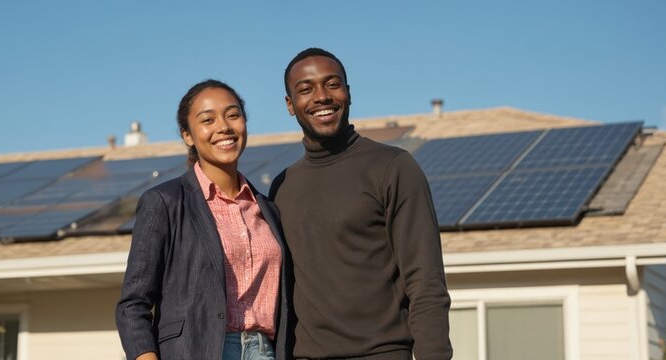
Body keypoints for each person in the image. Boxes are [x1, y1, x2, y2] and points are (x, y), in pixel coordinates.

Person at [269, 48, 452, 359]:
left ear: (348, 93)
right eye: (305, 89)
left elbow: (425, 280)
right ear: (290, 105)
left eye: (332, 84)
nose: (321, 96)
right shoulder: (282, 187)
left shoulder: (393, 167)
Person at [116, 79, 290, 360]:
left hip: (263, 352)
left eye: (233, 115)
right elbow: (133, 305)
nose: (224, 127)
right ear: (187, 135)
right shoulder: (165, 202)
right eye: (207, 119)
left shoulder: (268, 208)